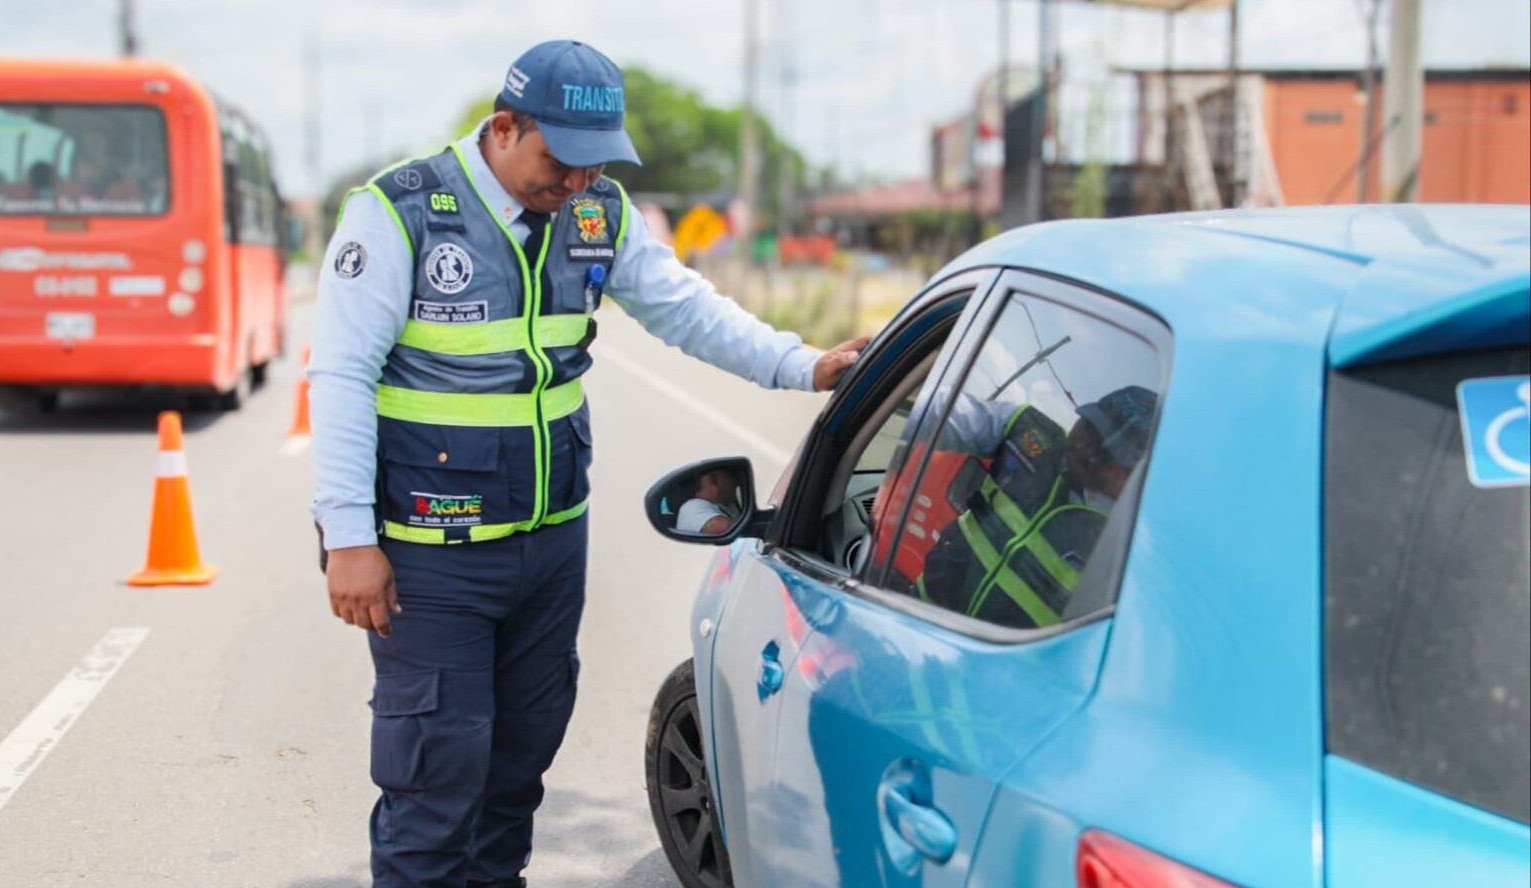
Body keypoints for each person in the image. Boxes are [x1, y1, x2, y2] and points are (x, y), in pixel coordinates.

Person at [309, 40, 868, 888]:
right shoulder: (401, 212)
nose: (575, 181)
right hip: (431, 555)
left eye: (595, 162)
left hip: (549, 543)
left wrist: (801, 364)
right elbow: (341, 375)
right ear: (504, 128)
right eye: (559, 160)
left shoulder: (597, 211)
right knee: (434, 778)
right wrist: (349, 536)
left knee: (518, 765)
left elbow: (683, 308)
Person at [915, 385, 1157, 628]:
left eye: (1107, 451)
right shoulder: (1033, 436)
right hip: (918, 613)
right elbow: (939, 411)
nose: (1084, 447)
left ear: (1137, 474)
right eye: (1089, 427)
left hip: (992, 651)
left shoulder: (1134, 547)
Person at [674, 467, 740, 535]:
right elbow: (730, 528)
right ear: (714, 479)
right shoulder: (691, 507)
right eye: (731, 475)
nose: (735, 481)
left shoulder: (727, 504)